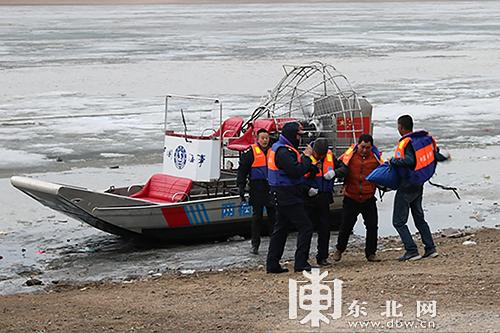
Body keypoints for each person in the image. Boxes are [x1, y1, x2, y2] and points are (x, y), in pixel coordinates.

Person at [389, 115, 448, 261]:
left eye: (398, 126)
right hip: (419, 184)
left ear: (401, 127)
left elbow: (409, 160)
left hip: (407, 185)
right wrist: (445, 157)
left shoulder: (407, 143)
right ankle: (430, 248)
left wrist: (393, 161)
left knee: (398, 221)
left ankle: (411, 250)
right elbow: (435, 155)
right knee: (419, 218)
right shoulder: (420, 140)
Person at [266, 122, 314, 273]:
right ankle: (301, 263)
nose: (300, 138)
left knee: (281, 229)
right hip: (286, 195)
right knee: (306, 227)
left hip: (281, 194)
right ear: (292, 135)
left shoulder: (280, 148)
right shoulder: (283, 152)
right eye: (298, 135)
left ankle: (272, 264)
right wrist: (307, 157)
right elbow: (296, 171)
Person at [332, 134, 384, 262]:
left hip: (368, 197)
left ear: (371, 147)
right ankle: (339, 250)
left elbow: (384, 173)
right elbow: (338, 167)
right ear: (358, 145)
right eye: (362, 147)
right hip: (351, 197)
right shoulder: (349, 157)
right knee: (345, 226)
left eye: (367, 147)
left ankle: (371, 253)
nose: (365, 150)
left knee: (372, 227)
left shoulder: (376, 159)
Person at [304, 138, 347, 266]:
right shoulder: (306, 157)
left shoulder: (330, 156)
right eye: (318, 155)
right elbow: (298, 177)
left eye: (322, 155)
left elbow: (344, 169)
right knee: (307, 229)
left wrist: (334, 173)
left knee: (324, 229)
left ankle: (322, 257)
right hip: (309, 198)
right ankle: (303, 258)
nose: (320, 157)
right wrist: (307, 189)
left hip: (324, 197)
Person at [237, 128, 277, 255]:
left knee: (273, 216)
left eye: (266, 138)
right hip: (257, 187)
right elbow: (242, 170)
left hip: (271, 186)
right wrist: (241, 187)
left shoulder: (274, 150)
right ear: (257, 139)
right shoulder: (251, 152)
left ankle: (275, 242)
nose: (265, 140)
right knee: (257, 217)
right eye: (262, 138)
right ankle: (255, 244)